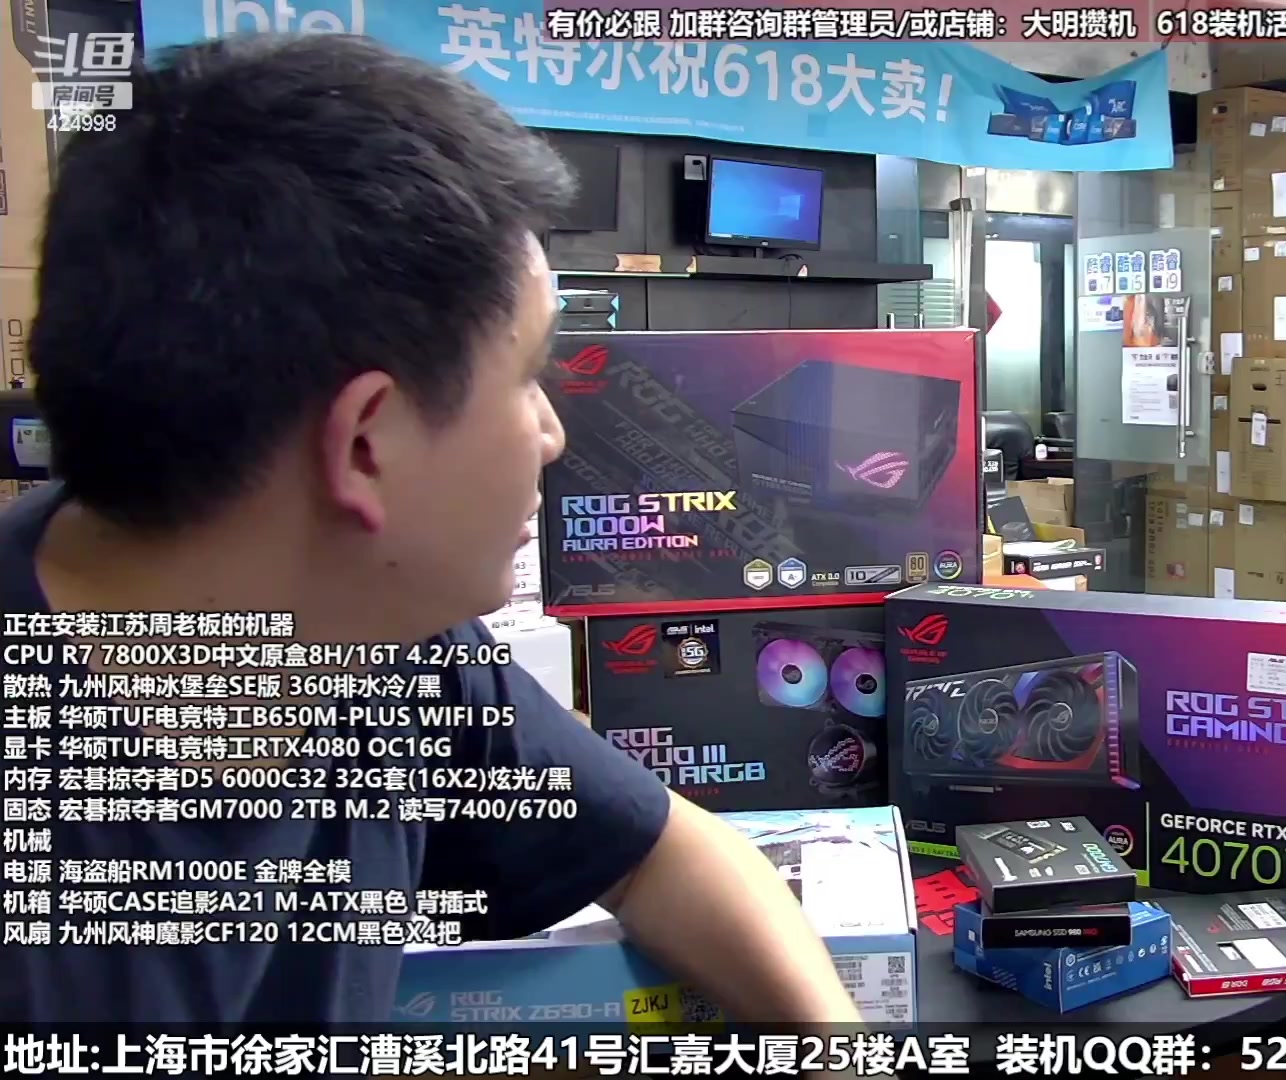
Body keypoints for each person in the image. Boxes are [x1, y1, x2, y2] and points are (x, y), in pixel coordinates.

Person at [0, 33, 861, 1025]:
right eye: (528, 377)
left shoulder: (387, 636)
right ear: (368, 444)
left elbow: (664, 853)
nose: (552, 433)